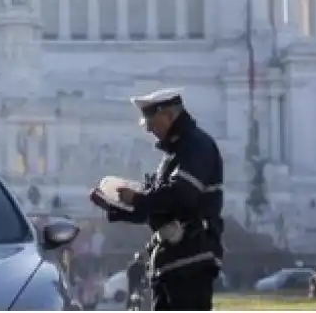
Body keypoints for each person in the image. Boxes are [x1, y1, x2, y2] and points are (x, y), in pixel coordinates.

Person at [89, 88, 224, 311]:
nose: (149, 128)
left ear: (169, 115)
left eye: (151, 121)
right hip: (172, 261)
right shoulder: (175, 154)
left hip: (191, 259)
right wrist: (116, 207)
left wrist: (139, 198)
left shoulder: (196, 146)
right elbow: (156, 208)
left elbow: (181, 195)